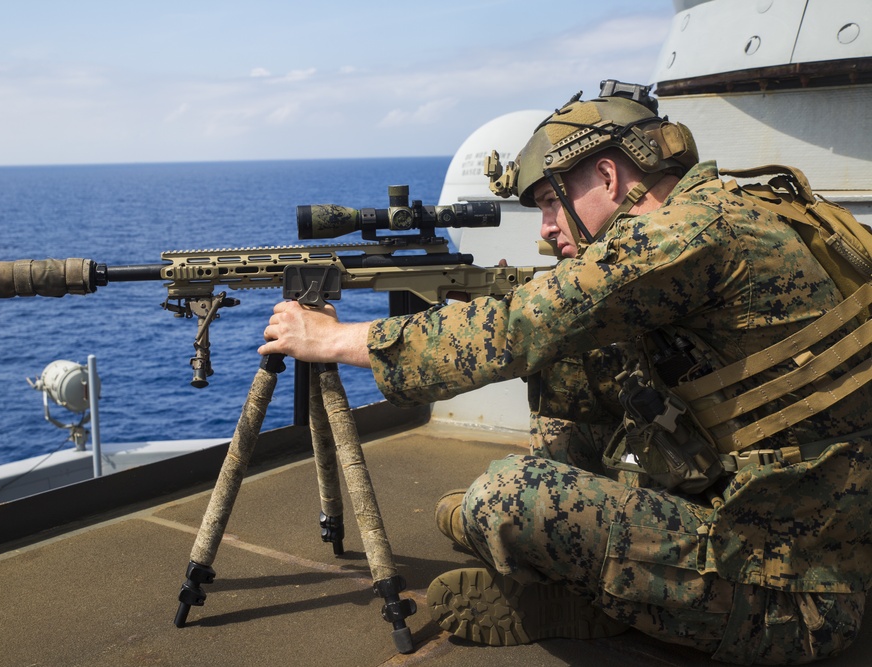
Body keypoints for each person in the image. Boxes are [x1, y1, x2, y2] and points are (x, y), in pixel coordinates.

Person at [258, 80, 872, 665]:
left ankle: (590, 589)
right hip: (806, 521)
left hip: (795, 596)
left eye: (552, 202)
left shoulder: (686, 234)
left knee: (502, 500)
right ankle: (573, 543)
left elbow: (522, 327)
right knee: (580, 362)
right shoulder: (735, 206)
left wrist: (336, 338)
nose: (548, 229)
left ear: (608, 174)